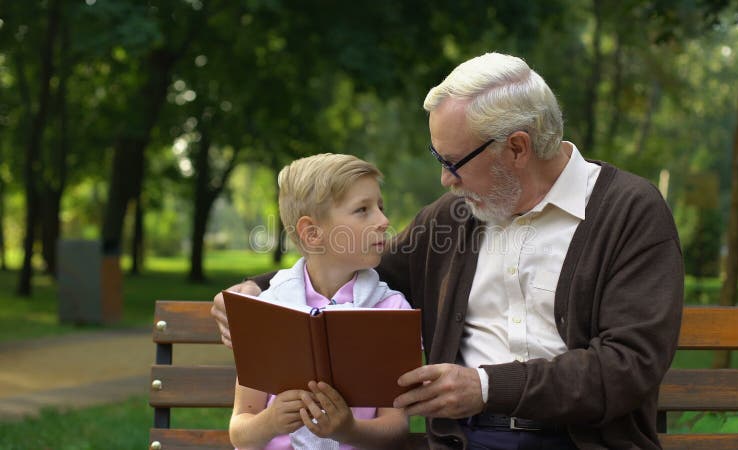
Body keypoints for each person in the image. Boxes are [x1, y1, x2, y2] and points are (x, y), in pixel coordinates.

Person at [214, 53, 684, 449]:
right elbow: (363, 265)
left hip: (584, 441)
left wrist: (484, 387)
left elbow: (628, 365)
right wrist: (258, 289)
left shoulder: (629, 212)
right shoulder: (455, 215)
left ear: (517, 149)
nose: (445, 179)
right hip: (466, 441)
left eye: (452, 161)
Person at [227, 153, 411, 450]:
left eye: (380, 207)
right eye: (363, 210)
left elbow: (396, 428)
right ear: (312, 234)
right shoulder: (266, 311)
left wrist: (349, 430)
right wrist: (271, 421)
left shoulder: (391, 310)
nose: (383, 221)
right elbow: (240, 431)